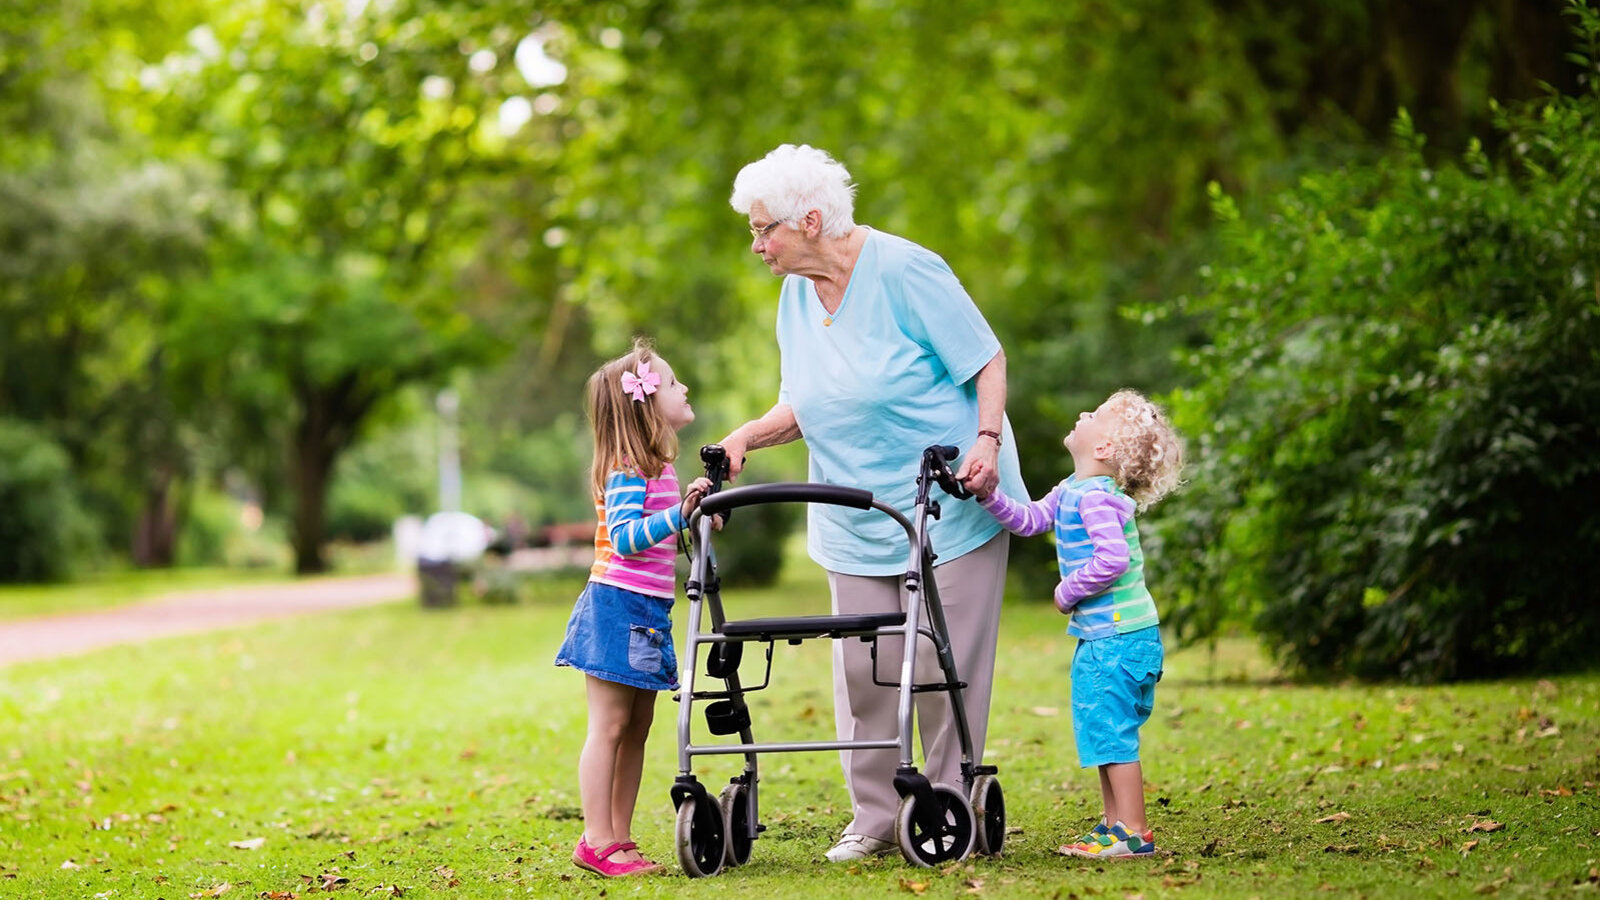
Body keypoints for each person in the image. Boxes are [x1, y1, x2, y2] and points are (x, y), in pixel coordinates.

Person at [720, 143, 1029, 862]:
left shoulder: (906, 270)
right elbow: (803, 403)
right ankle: (876, 818)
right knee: (864, 669)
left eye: (765, 229)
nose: (758, 245)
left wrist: (985, 441)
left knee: (939, 665)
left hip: (947, 496)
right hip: (854, 509)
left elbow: (986, 358)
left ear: (813, 219)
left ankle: (948, 806)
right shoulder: (797, 292)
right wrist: (745, 437)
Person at [971, 389, 1185, 860]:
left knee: (1112, 733)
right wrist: (989, 496)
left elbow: (1113, 560)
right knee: (1102, 732)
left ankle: (1134, 832)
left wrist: (1067, 592)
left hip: (1119, 639)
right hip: (1106, 637)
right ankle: (1113, 828)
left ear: (1104, 448)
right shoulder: (1072, 489)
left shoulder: (1096, 500)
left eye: (1098, 415)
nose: (1084, 412)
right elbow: (1028, 521)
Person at [554, 338, 715, 878]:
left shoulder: (660, 468)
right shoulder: (628, 468)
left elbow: (664, 528)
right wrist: (679, 515)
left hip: (646, 611)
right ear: (644, 403)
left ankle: (619, 839)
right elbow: (625, 539)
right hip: (616, 606)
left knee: (638, 726)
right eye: (672, 383)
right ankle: (596, 840)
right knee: (609, 726)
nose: (683, 388)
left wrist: (696, 509)